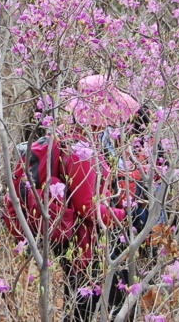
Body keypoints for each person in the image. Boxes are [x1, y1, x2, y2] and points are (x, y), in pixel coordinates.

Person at [61, 75, 132, 322]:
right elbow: (87, 206)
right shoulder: (80, 150)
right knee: (86, 310)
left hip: (85, 245)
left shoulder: (75, 138)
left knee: (81, 308)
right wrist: (127, 216)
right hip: (86, 247)